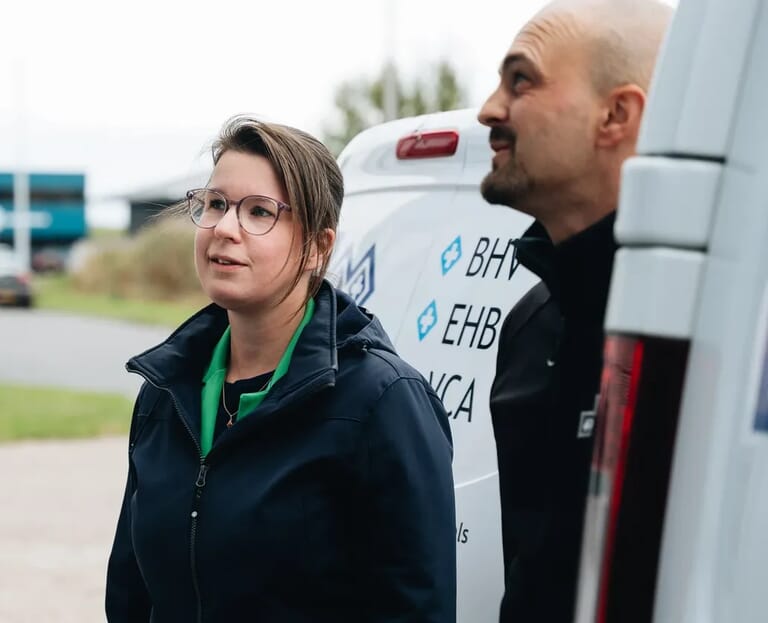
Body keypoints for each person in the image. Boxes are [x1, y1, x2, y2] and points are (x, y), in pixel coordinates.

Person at [105, 117, 457, 622]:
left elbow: (417, 610)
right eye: (216, 204)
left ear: (318, 247)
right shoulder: (167, 391)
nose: (225, 228)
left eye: (259, 212)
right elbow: (130, 596)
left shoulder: (382, 402)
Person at [477, 1, 673, 621]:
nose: (488, 109)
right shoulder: (530, 325)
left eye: (521, 79)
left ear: (616, 114)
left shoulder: (700, 327)